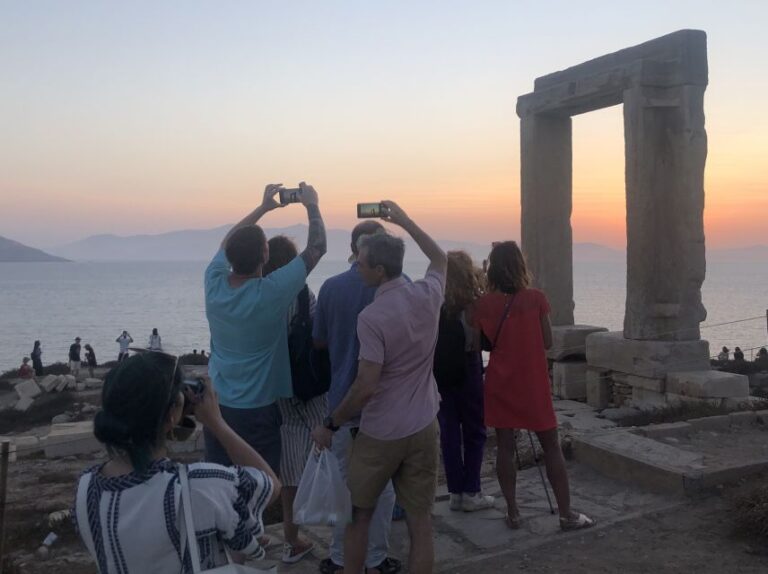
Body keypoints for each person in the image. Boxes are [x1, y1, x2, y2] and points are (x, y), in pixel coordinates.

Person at [312, 201, 446, 574]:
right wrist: (404, 220)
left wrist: (332, 422)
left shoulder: (371, 317)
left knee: (358, 517)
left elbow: (366, 384)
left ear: (379, 270)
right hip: (423, 424)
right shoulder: (428, 294)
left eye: (363, 261)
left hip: (381, 432)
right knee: (421, 524)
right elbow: (439, 258)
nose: (358, 265)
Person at [73, 352, 281, 573]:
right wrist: (216, 422)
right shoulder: (199, 487)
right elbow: (270, 484)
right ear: (172, 415)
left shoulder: (86, 488)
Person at [204, 182, 326, 474]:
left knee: (220, 486)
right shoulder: (270, 293)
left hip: (218, 405)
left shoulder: (213, 282)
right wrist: (312, 204)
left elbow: (227, 242)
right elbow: (317, 248)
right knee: (259, 486)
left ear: (231, 257)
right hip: (258, 411)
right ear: (265, 255)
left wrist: (263, 208)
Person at [473, 241, 593, 532]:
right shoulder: (536, 298)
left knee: (504, 447)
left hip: (500, 382)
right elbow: (548, 341)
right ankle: (566, 514)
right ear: (520, 266)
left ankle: (513, 512)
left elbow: (478, 344)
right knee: (551, 446)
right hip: (532, 382)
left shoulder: (483, 305)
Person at [311, 220, 401, 574]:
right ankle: (376, 558)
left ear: (353, 248)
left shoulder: (332, 288)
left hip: (343, 402)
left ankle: (339, 557)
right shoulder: (399, 288)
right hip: (385, 405)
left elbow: (318, 340)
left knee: (343, 485)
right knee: (384, 488)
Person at [263, 235, 327, 564]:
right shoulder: (303, 295)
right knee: (330, 451)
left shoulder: (259, 298)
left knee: (289, 469)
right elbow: (319, 338)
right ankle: (341, 523)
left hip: (278, 387)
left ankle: (290, 538)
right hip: (310, 386)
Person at [434, 251, 493, 512]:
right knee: (474, 430)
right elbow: (482, 342)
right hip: (469, 366)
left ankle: (455, 491)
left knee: (448, 432)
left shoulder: (436, 302)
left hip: (441, 372)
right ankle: (472, 490)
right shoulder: (474, 304)